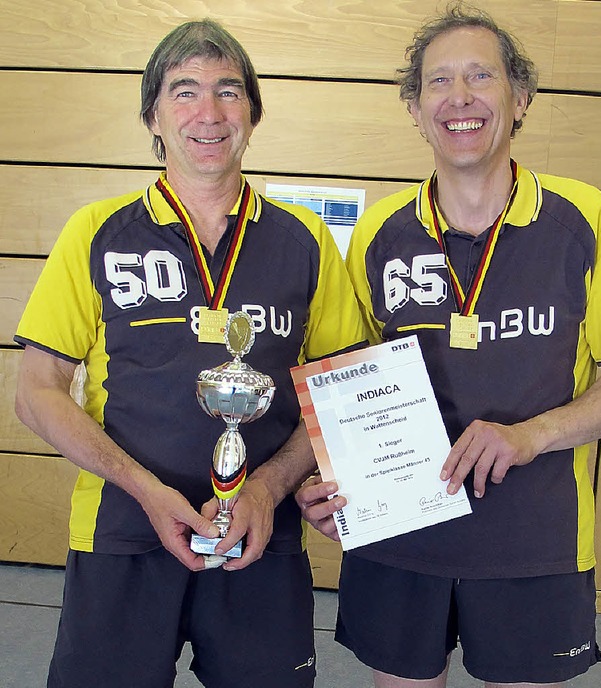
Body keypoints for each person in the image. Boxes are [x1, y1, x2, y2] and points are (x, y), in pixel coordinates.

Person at [296, 4, 601, 688]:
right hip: (399, 541)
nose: (460, 98)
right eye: (438, 82)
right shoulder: (378, 234)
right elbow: (337, 392)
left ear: (519, 97)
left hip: (533, 542)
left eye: (481, 76)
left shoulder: (582, 218)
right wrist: (329, 488)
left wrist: (531, 436)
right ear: (417, 109)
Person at [14, 18, 365, 688]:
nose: (208, 113)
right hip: (124, 530)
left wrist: (266, 489)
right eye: (184, 91)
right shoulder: (95, 232)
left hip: (263, 535)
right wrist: (149, 493)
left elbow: (340, 390)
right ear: (153, 113)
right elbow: (36, 391)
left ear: (254, 114)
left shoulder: (306, 241)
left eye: (228, 91)